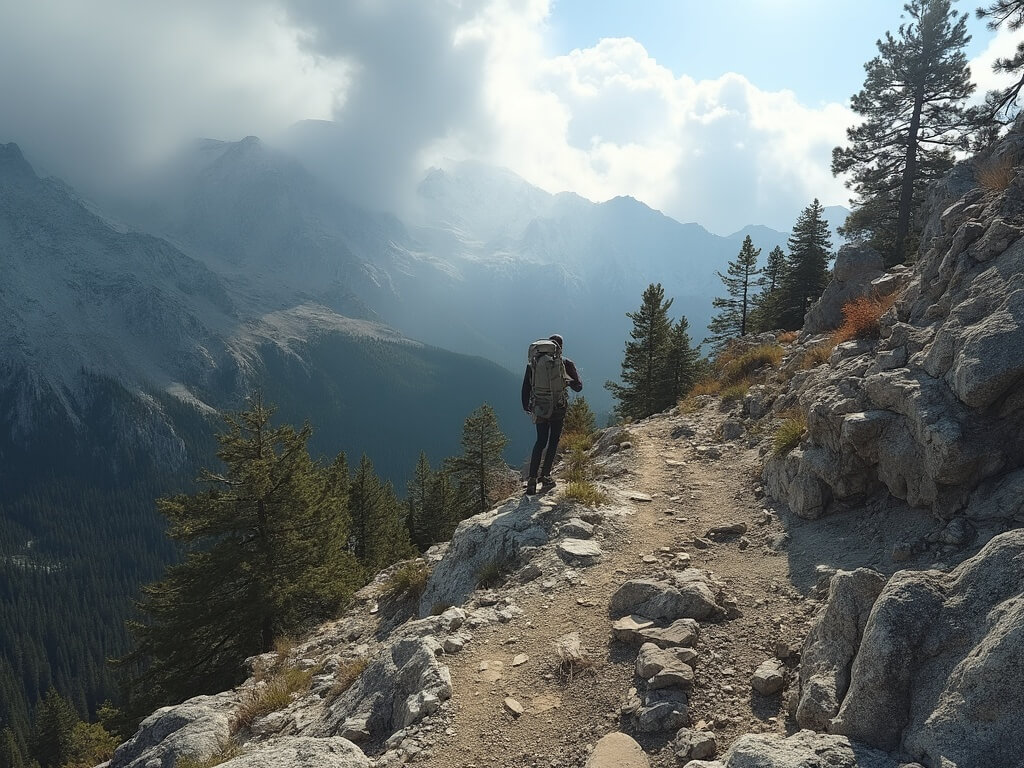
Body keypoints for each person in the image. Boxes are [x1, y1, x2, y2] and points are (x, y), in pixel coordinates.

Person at [521, 334, 583, 495]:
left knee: (540, 441)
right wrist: (566, 381)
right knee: (553, 441)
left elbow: (526, 387)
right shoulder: (565, 363)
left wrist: (526, 406)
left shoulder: (534, 363)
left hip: (540, 406)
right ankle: (546, 476)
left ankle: (532, 480)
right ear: (560, 347)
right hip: (558, 407)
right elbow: (578, 387)